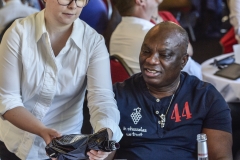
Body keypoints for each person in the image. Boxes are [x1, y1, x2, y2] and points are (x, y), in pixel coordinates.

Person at [0, 0, 122, 159]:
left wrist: (105, 131)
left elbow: (102, 98)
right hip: (13, 141)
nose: (73, 5)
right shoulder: (18, 32)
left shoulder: (93, 42)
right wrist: (41, 130)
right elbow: (8, 98)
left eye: (81, 0)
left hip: (65, 147)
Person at [111, 21, 232, 160]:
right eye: (146, 51)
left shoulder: (206, 98)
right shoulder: (116, 96)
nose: (151, 60)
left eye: (164, 55)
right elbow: (101, 152)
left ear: (183, 61)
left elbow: (220, 157)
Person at [110, 0, 202, 80]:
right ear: (141, 1)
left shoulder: (116, 34)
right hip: (162, 97)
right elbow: (194, 72)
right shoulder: (155, 35)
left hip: (134, 96)